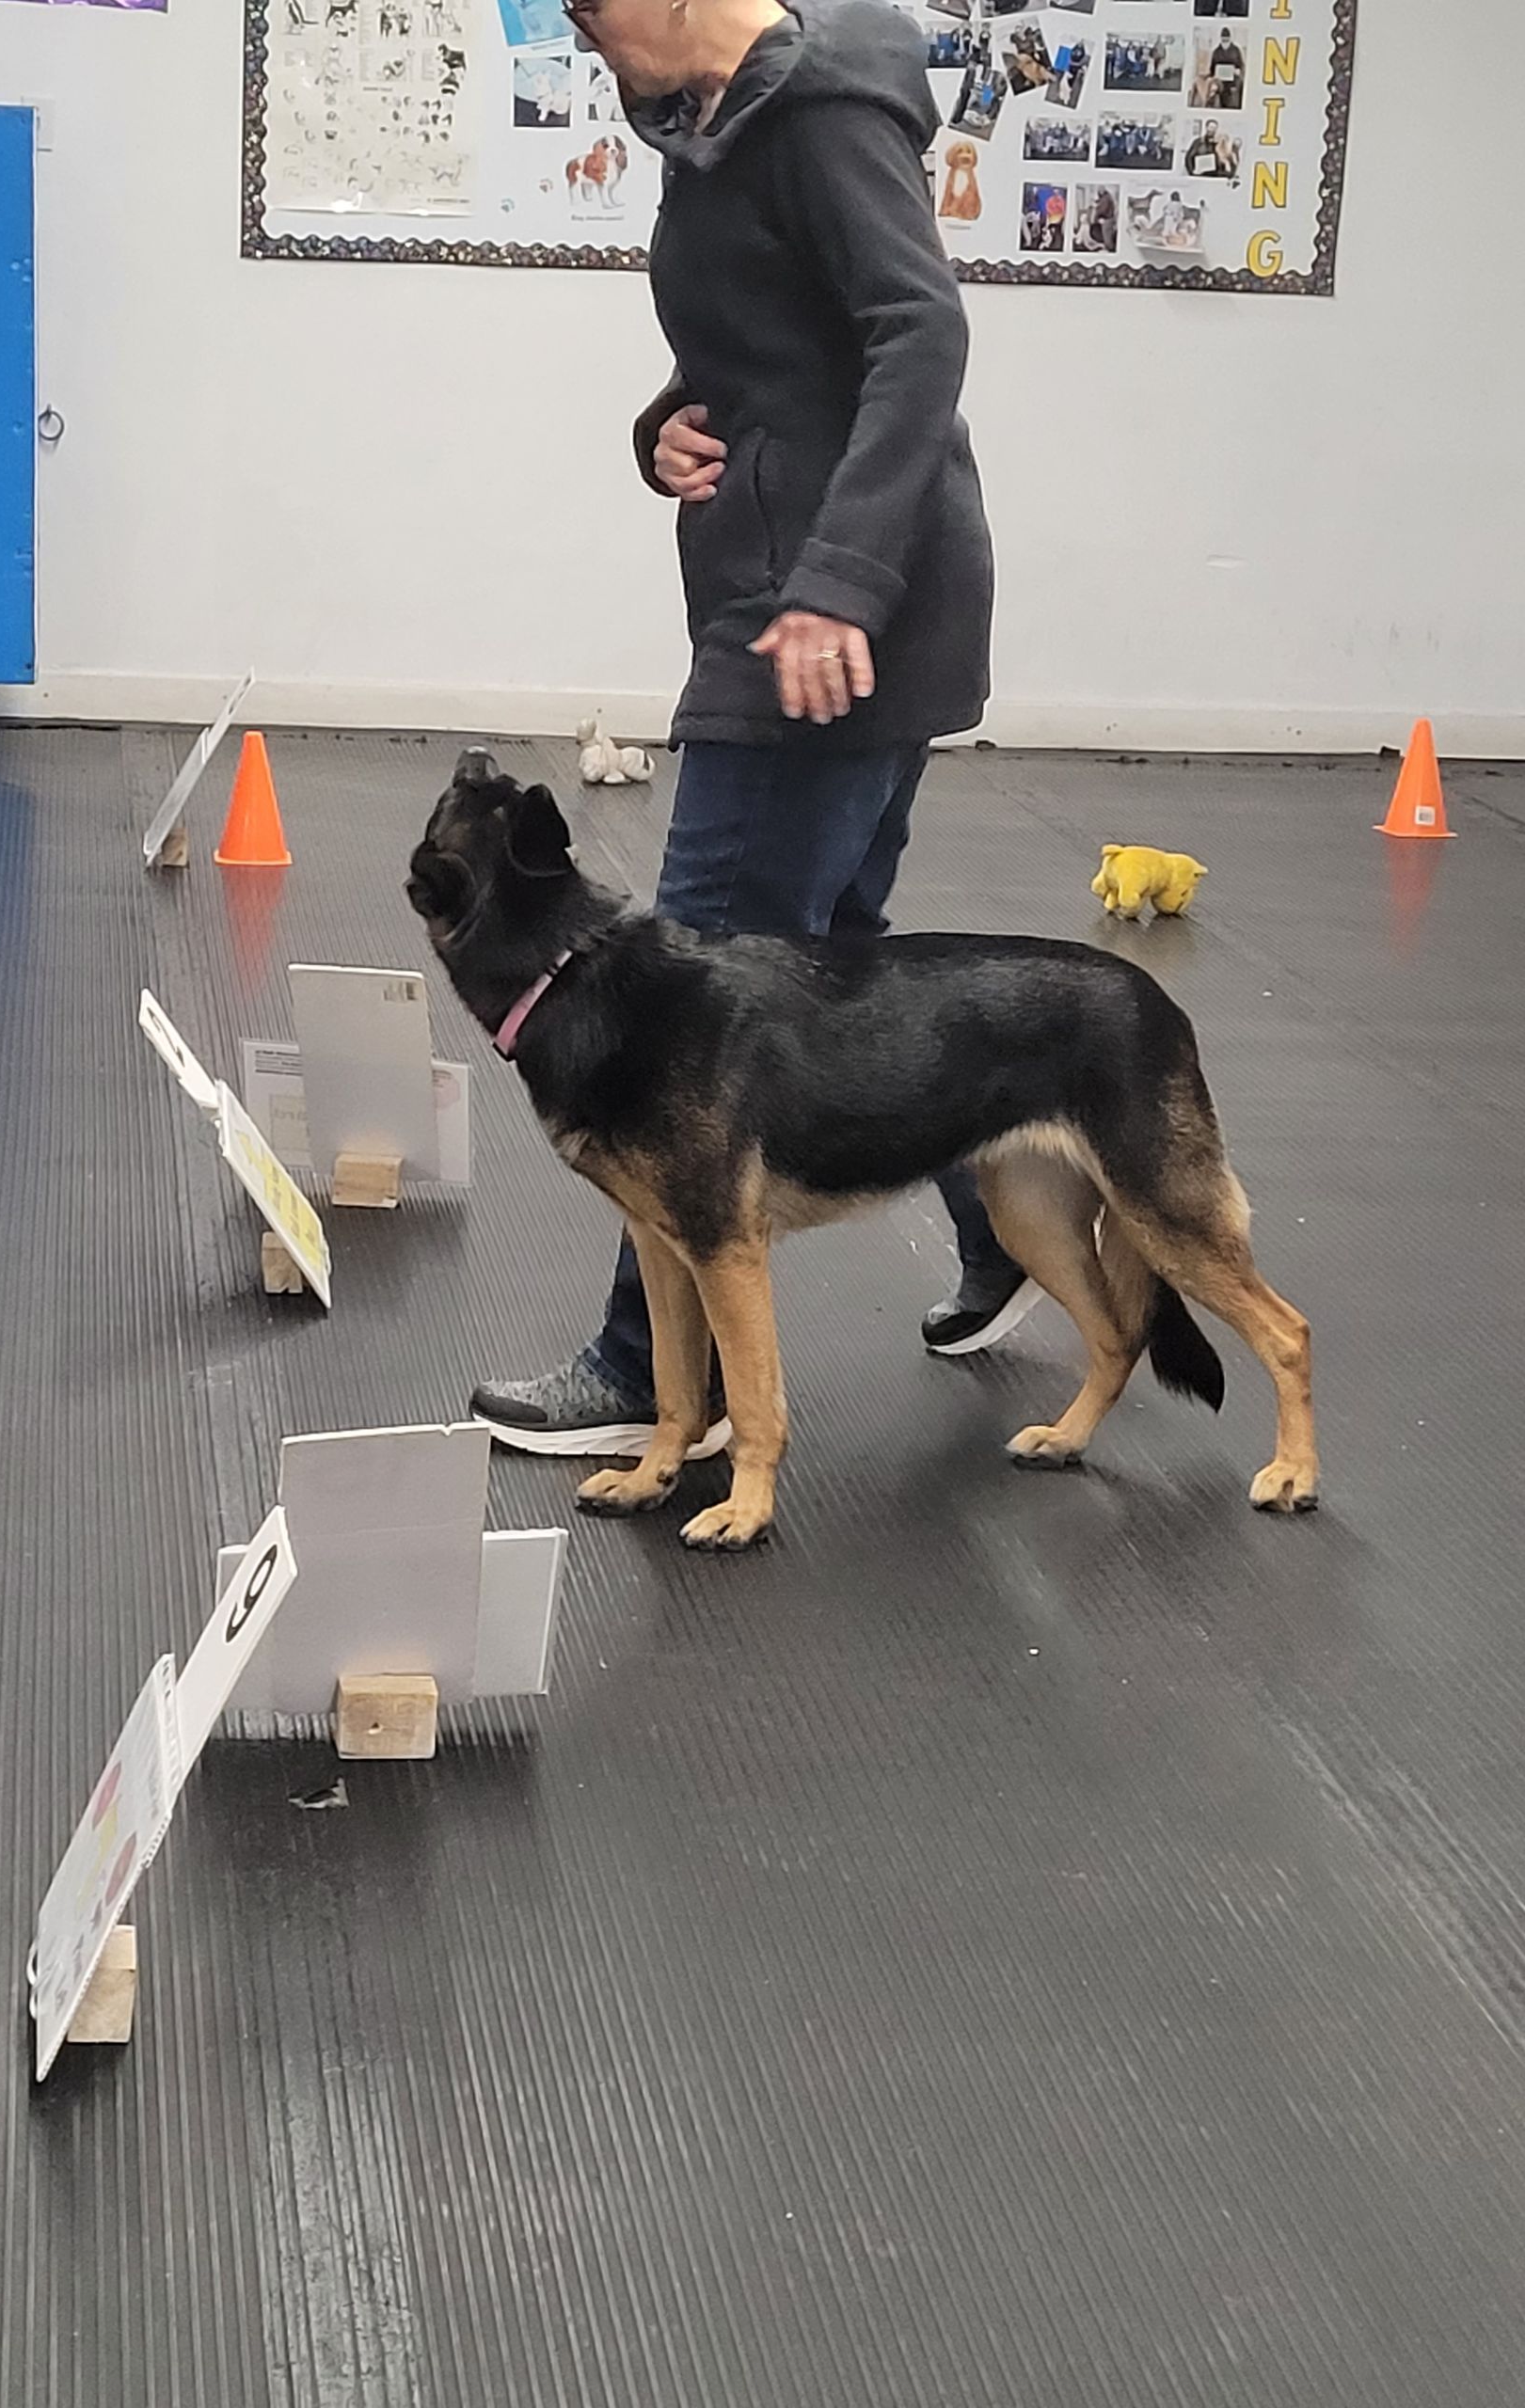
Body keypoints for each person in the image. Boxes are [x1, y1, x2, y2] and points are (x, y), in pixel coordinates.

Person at [471, 0, 1036, 1460]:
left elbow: (920, 334)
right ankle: (1010, 1226)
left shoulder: (826, 107)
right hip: (802, 592)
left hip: (831, 616)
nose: (597, 63)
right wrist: (668, 423)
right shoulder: (709, 119)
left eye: (596, 29)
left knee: (686, 994)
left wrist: (839, 586)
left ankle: (651, 1375)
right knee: (838, 969)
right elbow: (775, 343)